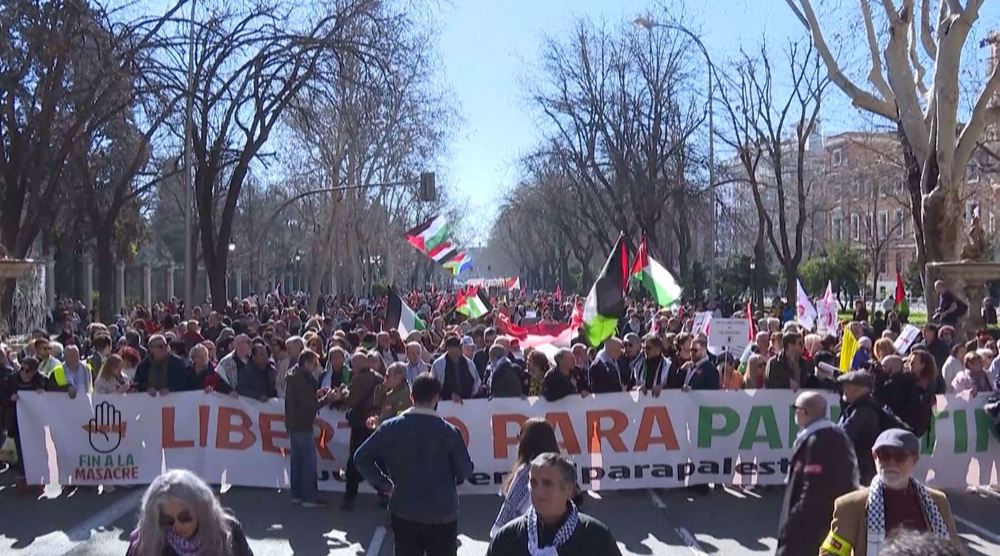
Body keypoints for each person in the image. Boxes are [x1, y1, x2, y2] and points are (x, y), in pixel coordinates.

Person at [354, 373, 474, 556]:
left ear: (411, 396)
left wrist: (384, 484)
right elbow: (465, 471)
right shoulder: (449, 431)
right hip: (442, 511)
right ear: (436, 397)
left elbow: (361, 457)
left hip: (404, 508)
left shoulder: (390, 427)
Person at [821, 429, 963, 556]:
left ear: (914, 460)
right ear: (875, 456)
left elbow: (954, 549)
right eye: (884, 455)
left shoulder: (937, 501)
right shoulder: (851, 506)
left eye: (900, 456)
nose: (891, 463)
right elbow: (832, 552)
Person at [487, 453, 622, 556]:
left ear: (569, 489)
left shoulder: (596, 537)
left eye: (547, 484)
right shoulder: (508, 538)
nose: (538, 491)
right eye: (533, 483)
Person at [776, 392, 860, 555]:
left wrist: (792, 524)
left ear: (804, 412)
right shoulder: (832, 435)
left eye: (796, 409)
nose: (795, 413)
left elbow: (813, 493)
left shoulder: (819, 442)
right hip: (825, 525)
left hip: (810, 534)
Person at [126, 469, 253, 556]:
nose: (177, 526)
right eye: (167, 521)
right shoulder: (146, 541)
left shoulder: (227, 530)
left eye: (184, 517)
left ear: (201, 510)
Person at [490, 419, 562, 538]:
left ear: (525, 443)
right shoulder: (563, 469)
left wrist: (497, 535)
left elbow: (510, 507)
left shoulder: (526, 474)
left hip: (530, 537)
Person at [284, 349, 328, 508]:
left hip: (293, 423)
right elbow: (308, 406)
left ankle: (297, 494)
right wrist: (326, 399)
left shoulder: (295, 377)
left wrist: (317, 394)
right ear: (307, 363)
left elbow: (303, 399)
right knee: (308, 462)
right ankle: (309, 497)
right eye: (315, 364)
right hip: (303, 424)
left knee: (297, 461)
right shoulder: (302, 380)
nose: (316, 367)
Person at [340, 352, 382, 511]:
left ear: (358, 364)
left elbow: (352, 401)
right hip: (375, 422)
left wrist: (343, 393)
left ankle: (350, 496)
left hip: (361, 423)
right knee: (377, 459)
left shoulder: (359, 379)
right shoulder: (378, 377)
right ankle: (383, 493)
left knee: (355, 459)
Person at [1, 356, 49, 492]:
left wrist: (44, 394)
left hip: (36, 422)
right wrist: (10, 399)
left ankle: (38, 479)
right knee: (22, 451)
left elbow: (52, 398)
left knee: (38, 449)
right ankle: (23, 479)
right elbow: (3, 397)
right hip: (17, 422)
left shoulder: (42, 380)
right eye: (22, 368)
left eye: (27, 370)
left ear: (34, 372)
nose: (23, 372)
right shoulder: (11, 380)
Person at [836, 370, 882, 486]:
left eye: (848, 386)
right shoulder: (857, 408)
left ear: (859, 389)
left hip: (862, 469)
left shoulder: (864, 411)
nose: (844, 390)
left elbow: (845, 434)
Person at [430, 336, 482, 403]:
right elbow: (433, 386)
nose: (460, 348)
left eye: (460, 346)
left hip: (467, 404)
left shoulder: (469, 364)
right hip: (445, 405)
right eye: (457, 346)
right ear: (449, 348)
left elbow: (476, 382)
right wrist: (449, 395)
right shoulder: (438, 365)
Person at [369, 362, 412, 427]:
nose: (385, 378)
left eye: (388, 376)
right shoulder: (391, 391)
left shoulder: (405, 395)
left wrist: (379, 420)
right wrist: (382, 388)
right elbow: (376, 404)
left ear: (398, 377)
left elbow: (400, 418)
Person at [912, 324, 949, 393]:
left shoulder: (942, 346)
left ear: (933, 333)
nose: (924, 332)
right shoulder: (922, 344)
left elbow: (941, 361)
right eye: (924, 330)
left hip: (935, 375)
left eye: (926, 331)